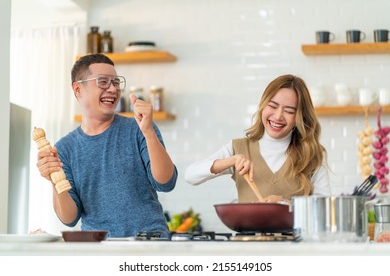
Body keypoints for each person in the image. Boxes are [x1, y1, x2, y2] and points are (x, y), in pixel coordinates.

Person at [36, 53, 177, 237]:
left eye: (116, 83)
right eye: (103, 82)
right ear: (78, 89)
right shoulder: (64, 148)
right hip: (98, 248)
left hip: (149, 243)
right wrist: (54, 180)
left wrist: (149, 133)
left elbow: (166, 182)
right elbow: (69, 218)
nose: (113, 89)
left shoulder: (140, 128)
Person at [185, 74, 331, 203]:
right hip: (248, 235)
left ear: (300, 117)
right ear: (263, 107)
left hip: (296, 235)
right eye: (272, 106)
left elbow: (323, 207)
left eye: (289, 111)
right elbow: (190, 176)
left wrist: (285, 203)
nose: (278, 116)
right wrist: (231, 161)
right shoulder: (239, 148)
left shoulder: (313, 155)